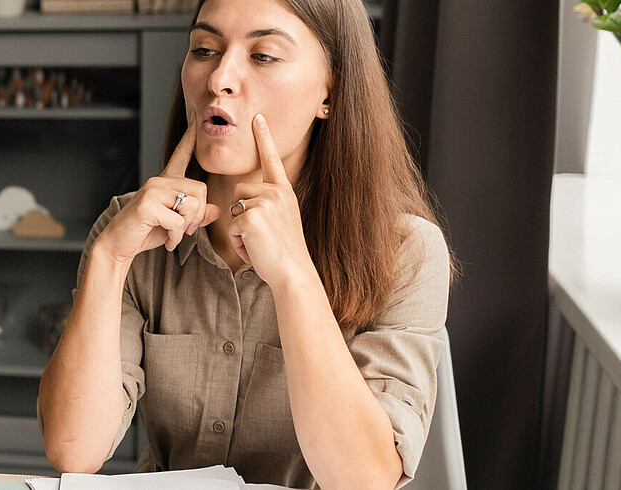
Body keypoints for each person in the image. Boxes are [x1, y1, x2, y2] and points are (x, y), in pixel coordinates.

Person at [36, 0, 454, 488]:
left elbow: (364, 479)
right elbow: (73, 449)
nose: (219, 78)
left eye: (264, 56)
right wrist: (110, 258)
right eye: (205, 49)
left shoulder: (406, 252)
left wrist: (294, 276)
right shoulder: (128, 232)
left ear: (331, 91)